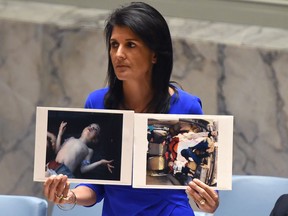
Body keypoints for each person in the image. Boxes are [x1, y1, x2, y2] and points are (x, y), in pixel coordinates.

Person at [43, 2, 219, 215]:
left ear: (154, 54)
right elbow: (96, 186)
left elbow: (201, 182)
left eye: (131, 45)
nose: (118, 54)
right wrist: (68, 195)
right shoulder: (97, 103)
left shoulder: (186, 106)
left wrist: (208, 201)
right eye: (114, 44)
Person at [46, 121, 114, 178]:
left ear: (95, 139)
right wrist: (60, 134)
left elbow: (83, 169)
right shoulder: (71, 139)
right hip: (52, 165)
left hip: (64, 171)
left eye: (95, 129)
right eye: (90, 125)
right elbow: (57, 151)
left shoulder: (88, 150)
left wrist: (100, 162)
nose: (91, 128)